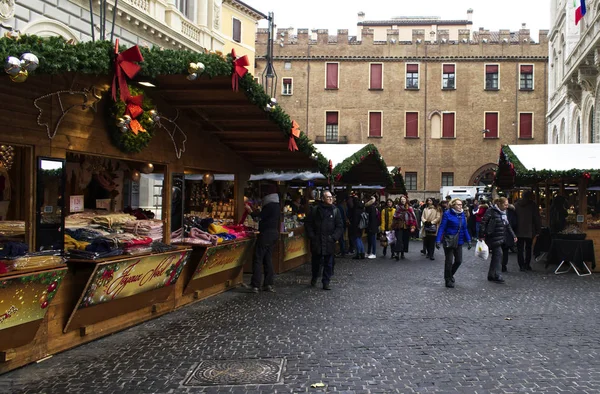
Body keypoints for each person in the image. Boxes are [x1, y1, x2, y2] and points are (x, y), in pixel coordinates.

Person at [305, 190, 343, 290]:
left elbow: (339, 226)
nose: (331, 199)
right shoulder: (315, 210)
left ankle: (326, 282)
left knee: (329, 263)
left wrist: (334, 237)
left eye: (331, 197)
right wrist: (312, 236)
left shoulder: (335, 210)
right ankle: (314, 277)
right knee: (316, 263)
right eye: (328, 197)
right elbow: (308, 224)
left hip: (329, 241)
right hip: (317, 241)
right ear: (322, 198)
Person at [249, 184, 280, 293]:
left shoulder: (269, 205)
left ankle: (255, 285)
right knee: (268, 259)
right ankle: (268, 284)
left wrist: (250, 211)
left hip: (265, 234)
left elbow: (258, 218)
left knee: (258, 259)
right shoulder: (276, 205)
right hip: (274, 234)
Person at [479, 197, 517, 284]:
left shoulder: (504, 212)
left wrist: (513, 235)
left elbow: (507, 225)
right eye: (505, 204)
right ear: (499, 204)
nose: (507, 206)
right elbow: (483, 222)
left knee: (496, 256)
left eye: (507, 204)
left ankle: (491, 275)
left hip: (500, 237)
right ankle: (497, 274)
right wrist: (481, 236)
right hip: (493, 236)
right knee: (499, 255)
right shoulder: (491, 211)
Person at [436, 198, 471, 288]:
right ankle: (447, 279)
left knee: (459, 260)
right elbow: (442, 227)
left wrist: (469, 240)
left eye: (461, 205)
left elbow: (464, 228)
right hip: (449, 240)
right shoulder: (447, 214)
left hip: (459, 240)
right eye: (458, 204)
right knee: (449, 261)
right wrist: (438, 240)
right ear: (453, 205)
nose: (460, 206)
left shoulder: (462, 214)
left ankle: (450, 274)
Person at [514, 191, 541, 271]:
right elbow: (537, 218)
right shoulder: (533, 205)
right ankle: (527, 264)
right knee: (528, 248)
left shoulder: (516, 205)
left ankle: (521, 265)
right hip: (529, 230)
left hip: (518, 230)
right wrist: (538, 229)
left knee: (520, 249)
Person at [392, 195, 417, 261]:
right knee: (399, 240)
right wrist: (400, 216)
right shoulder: (398, 207)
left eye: (404, 199)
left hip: (407, 226)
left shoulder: (410, 208)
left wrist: (413, 226)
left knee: (404, 240)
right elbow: (395, 216)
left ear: (406, 200)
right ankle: (397, 254)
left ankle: (402, 253)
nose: (403, 200)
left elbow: (413, 218)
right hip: (399, 226)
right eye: (401, 199)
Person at [348, 194, 366, 259]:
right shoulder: (362, 208)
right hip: (361, 226)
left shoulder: (354, 209)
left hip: (356, 226)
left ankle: (358, 253)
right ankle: (362, 253)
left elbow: (354, 219)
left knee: (357, 239)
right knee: (360, 239)